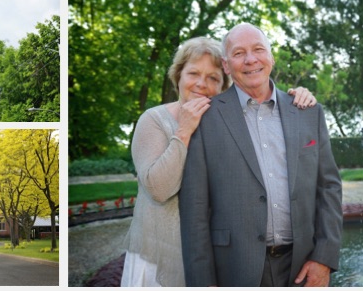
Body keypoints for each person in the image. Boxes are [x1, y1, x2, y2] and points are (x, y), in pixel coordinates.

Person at [124, 37, 316, 287]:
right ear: (178, 76)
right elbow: (158, 190)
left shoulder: (228, 124)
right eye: (193, 73)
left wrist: (294, 97)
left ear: (224, 85)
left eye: (213, 78)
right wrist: (183, 130)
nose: (201, 84)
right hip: (162, 256)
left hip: (214, 259)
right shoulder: (154, 120)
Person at [179, 23, 343, 287]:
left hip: (302, 266)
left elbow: (329, 189)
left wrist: (324, 258)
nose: (250, 59)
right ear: (226, 65)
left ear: (271, 56)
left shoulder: (307, 111)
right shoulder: (206, 119)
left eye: (258, 49)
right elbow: (195, 209)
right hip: (233, 269)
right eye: (239, 53)